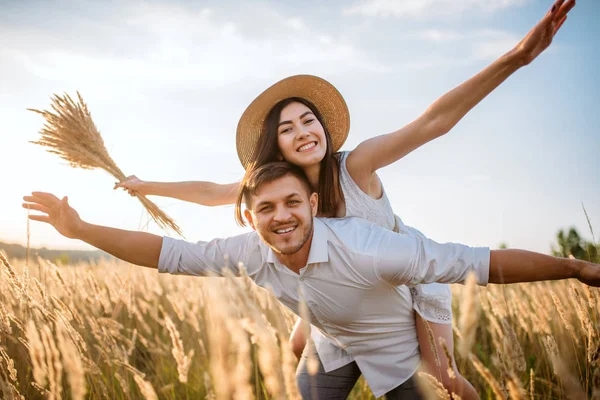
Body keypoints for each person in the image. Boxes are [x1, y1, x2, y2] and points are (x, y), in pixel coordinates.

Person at [114, 1, 575, 397]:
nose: (303, 132)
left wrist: (518, 56)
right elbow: (214, 192)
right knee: (299, 347)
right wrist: (147, 185)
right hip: (342, 287)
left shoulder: (355, 165)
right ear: (277, 146)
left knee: (441, 377)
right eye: (287, 128)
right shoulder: (284, 190)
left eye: (308, 119)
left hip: (404, 279)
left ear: (324, 126)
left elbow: (432, 123)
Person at [23, 161, 599, 399]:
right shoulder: (246, 250)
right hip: (329, 343)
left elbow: (477, 263)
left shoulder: (369, 247)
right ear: (249, 216)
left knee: (442, 383)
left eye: (292, 202)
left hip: (395, 355)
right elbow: (166, 252)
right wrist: (80, 228)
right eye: (265, 207)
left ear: (313, 202)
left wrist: (574, 268)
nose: (281, 217)